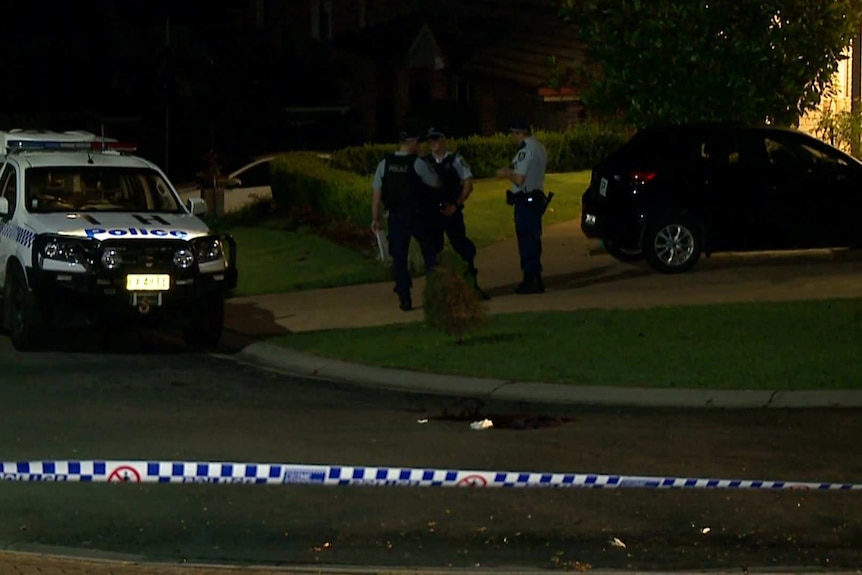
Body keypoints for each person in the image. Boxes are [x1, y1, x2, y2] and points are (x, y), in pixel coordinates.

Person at [372, 129, 440, 311]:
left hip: (395, 216)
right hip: (417, 215)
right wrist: (425, 160)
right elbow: (435, 182)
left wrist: (376, 218)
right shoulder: (417, 163)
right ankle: (436, 293)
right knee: (430, 253)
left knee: (399, 258)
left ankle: (405, 298)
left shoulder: (384, 163)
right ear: (413, 142)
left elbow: (377, 194)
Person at [423, 127, 490, 300]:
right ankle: (438, 292)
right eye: (430, 141)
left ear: (444, 140)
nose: (433, 144)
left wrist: (456, 204)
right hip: (432, 213)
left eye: (436, 140)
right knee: (434, 253)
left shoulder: (456, 160)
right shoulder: (424, 162)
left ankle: (472, 286)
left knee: (463, 249)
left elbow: (468, 184)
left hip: (451, 211)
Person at [496, 120, 548, 294]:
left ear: (519, 133)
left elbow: (519, 179)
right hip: (536, 197)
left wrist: (506, 173)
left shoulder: (526, 150)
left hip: (526, 199)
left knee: (526, 239)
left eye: (514, 134)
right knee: (533, 237)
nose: (513, 138)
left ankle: (531, 279)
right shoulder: (540, 147)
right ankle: (534, 277)